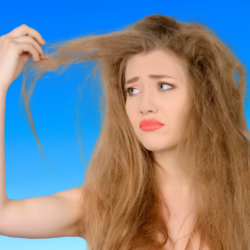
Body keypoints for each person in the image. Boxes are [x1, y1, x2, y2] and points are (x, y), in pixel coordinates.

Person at [0, 14, 249, 250]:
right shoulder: (104, 206)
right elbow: (4, 215)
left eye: (163, 86)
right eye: (133, 90)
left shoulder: (243, 196)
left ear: (205, 96)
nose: (145, 106)